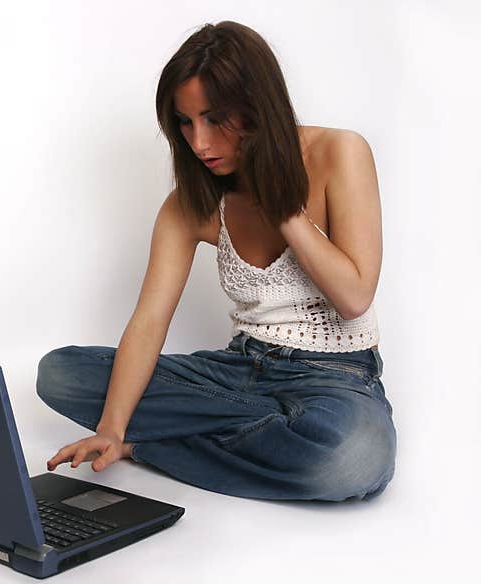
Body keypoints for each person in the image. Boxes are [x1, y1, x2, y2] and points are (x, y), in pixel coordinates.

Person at [35, 21, 396, 502]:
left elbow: (353, 297)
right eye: (185, 122)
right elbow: (149, 321)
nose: (199, 142)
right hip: (238, 370)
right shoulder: (191, 205)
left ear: (256, 107)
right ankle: (257, 433)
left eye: (213, 118)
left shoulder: (340, 152)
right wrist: (111, 427)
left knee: (353, 460)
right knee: (60, 373)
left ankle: (154, 446)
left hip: (336, 380)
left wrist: (280, 201)